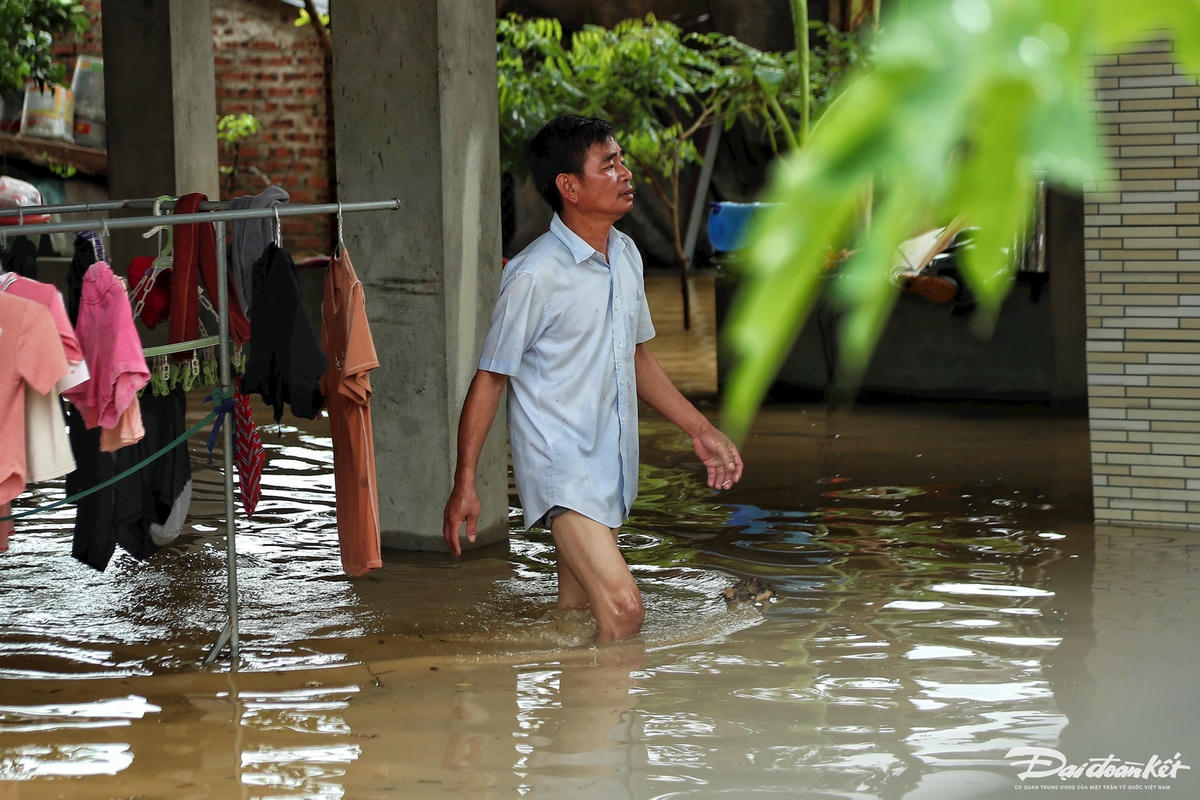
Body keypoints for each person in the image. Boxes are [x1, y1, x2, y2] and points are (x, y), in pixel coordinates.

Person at [442, 115, 744, 642]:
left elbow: (637, 359)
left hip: (611, 459)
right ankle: (616, 715)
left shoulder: (626, 254)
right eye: (609, 164)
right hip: (562, 468)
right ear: (569, 187)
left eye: (622, 160)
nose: (626, 173)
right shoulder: (534, 275)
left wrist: (700, 430)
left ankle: (583, 718)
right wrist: (465, 480)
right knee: (625, 611)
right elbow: (491, 378)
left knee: (578, 615)